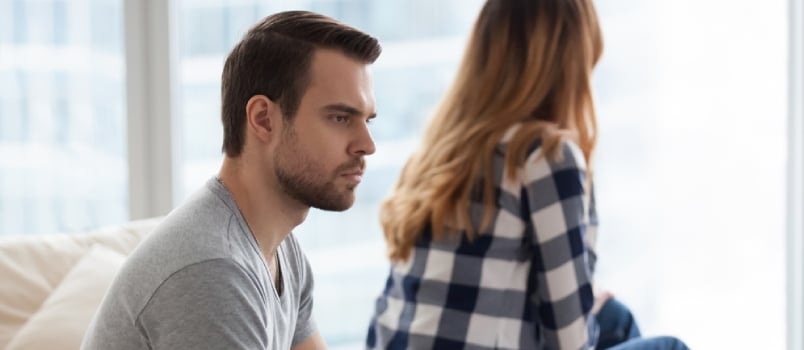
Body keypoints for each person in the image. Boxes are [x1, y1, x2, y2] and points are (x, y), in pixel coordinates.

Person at [365, 1, 687, 349]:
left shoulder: (441, 150)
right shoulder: (544, 156)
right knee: (667, 346)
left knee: (614, 318)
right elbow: (570, 342)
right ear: (571, 63)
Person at [81, 10, 381, 350]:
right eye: (340, 118)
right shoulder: (212, 271)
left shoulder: (279, 249)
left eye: (367, 120)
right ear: (264, 119)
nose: (367, 145)